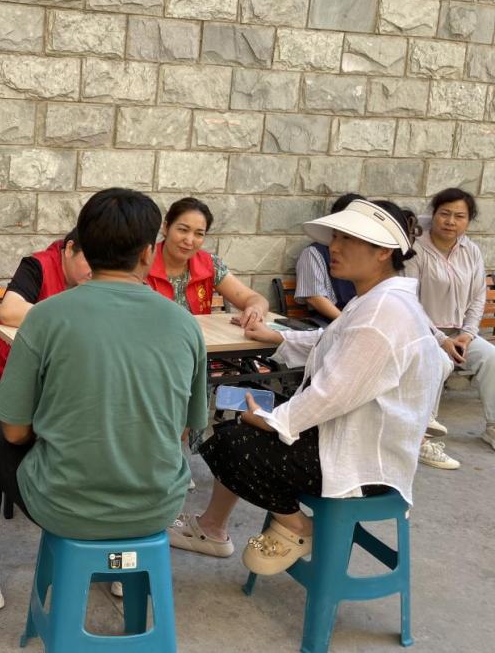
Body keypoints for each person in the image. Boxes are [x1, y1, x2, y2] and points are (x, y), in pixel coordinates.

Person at [0, 188, 208, 611]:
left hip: (66, 505)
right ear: (149, 253)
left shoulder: (46, 316)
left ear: (82, 245)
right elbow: (183, 429)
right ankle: (125, 570)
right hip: (158, 506)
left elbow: (14, 433)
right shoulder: (184, 324)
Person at [174, 200, 449, 574]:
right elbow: (333, 341)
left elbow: (332, 393)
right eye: (335, 237)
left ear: (383, 252)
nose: (334, 247)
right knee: (238, 419)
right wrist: (278, 337)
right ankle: (219, 526)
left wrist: (273, 421)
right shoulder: (379, 300)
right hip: (355, 437)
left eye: (347, 239)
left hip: (362, 461)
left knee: (228, 441)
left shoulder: (381, 314)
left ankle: (299, 527)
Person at [404, 188, 495, 467]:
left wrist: (467, 334)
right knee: (439, 362)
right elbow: (409, 301)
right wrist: (442, 339)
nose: (450, 221)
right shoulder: (416, 250)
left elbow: (478, 296)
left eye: (459, 216)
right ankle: (421, 439)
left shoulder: (471, 251)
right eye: (445, 214)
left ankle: (493, 427)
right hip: (422, 333)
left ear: (468, 220)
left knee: (491, 357)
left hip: (460, 335)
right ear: (434, 214)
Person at [147, 197, 269, 328]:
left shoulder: (209, 264)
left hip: (200, 339)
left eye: (199, 234)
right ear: (166, 228)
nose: (189, 240)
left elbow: (255, 299)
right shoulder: (142, 262)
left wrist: (255, 309)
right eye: (183, 230)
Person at [0, 229, 91, 381]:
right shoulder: (36, 266)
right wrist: (70, 319)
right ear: (69, 249)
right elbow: (9, 311)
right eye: (90, 260)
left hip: (65, 363)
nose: (94, 271)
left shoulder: (100, 278)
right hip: (19, 364)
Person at [294, 192, 364, 324]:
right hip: (330, 322)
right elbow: (314, 298)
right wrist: (346, 322)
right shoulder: (314, 253)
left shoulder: (365, 256)